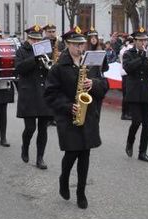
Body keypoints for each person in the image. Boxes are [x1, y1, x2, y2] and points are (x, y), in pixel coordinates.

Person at [44, 26, 109, 209]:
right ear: (67, 44)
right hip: (69, 116)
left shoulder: (91, 63)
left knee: (85, 153)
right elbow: (50, 94)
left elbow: (105, 85)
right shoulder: (58, 67)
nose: (80, 48)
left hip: (88, 115)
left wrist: (93, 83)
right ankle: (64, 178)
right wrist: (67, 106)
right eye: (75, 44)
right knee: (72, 153)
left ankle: (81, 192)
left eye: (81, 44)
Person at [15, 25, 54, 169]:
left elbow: (49, 70)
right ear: (28, 38)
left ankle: (40, 158)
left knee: (43, 128)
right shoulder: (21, 51)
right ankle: (25, 147)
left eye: (37, 39)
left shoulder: (45, 51)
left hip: (43, 93)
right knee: (30, 128)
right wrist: (35, 58)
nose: (35, 42)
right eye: (32, 39)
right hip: (29, 93)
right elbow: (19, 68)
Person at [123, 27, 148, 163]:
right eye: (140, 41)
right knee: (136, 121)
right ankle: (130, 141)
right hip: (134, 93)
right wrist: (141, 57)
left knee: (147, 124)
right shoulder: (129, 54)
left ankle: (143, 152)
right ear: (134, 41)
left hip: (147, 93)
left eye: (145, 40)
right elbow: (128, 68)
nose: (143, 43)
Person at [119, 37, 134, 120]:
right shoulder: (125, 50)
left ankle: (129, 112)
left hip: (126, 74)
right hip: (125, 74)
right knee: (126, 95)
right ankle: (125, 113)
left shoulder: (125, 49)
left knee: (129, 94)